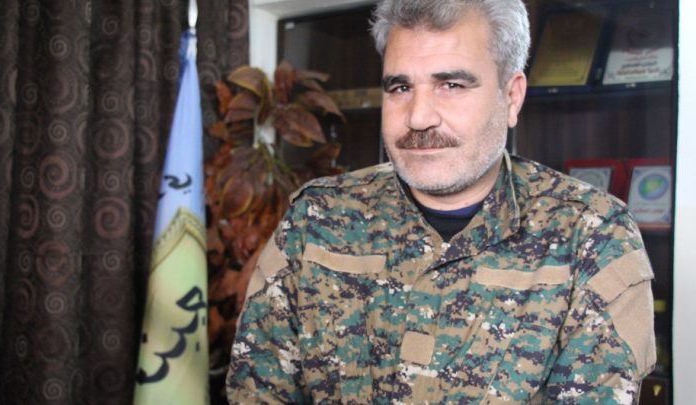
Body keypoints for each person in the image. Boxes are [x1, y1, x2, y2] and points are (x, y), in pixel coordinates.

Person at [226, 0, 657, 403]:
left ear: (512, 96)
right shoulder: (317, 219)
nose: (418, 117)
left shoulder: (591, 237)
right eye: (400, 87)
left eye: (451, 84)